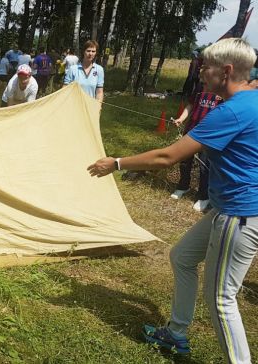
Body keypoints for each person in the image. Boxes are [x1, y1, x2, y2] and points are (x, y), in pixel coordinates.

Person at [88, 38, 258, 363]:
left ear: (226, 70)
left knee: (222, 298)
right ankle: (176, 335)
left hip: (239, 215)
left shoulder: (231, 112)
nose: (200, 72)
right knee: (182, 256)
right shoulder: (252, 100)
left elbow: (168, 156)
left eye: (206, 66)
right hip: (229, 208)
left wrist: (117, 163)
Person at [171, 82, 223, 212]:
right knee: (184, 160)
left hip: (210, 134)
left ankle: (204, 196)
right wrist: (181, 119)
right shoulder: (199, 87)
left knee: (205, 166)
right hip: (191, 130)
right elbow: (190, 105)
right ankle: (183, 186)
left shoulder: (223, 89)